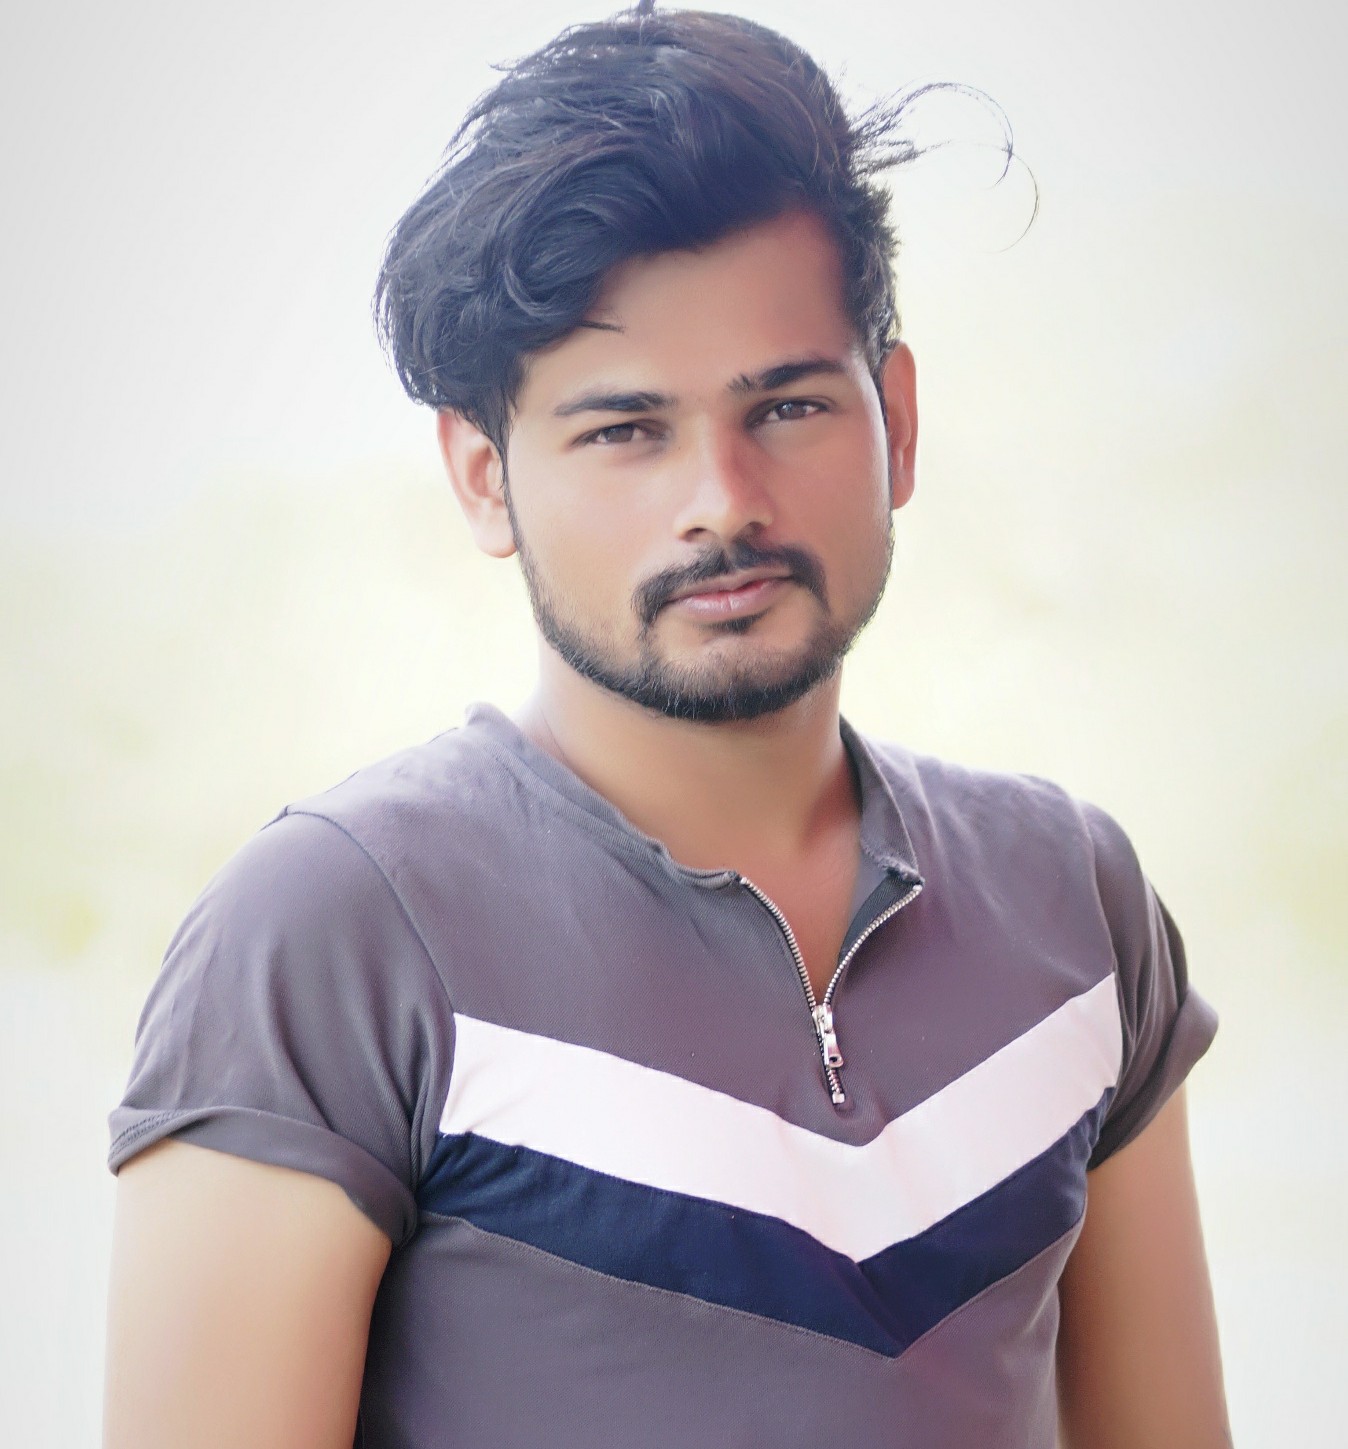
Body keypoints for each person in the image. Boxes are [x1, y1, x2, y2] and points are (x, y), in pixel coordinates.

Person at [104, 5, 1231, 1446]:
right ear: (484, 478)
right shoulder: (330, 936)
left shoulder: (1074, 898)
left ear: (895, 416)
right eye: (624, 430)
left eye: (789, 407)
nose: (723, 500)